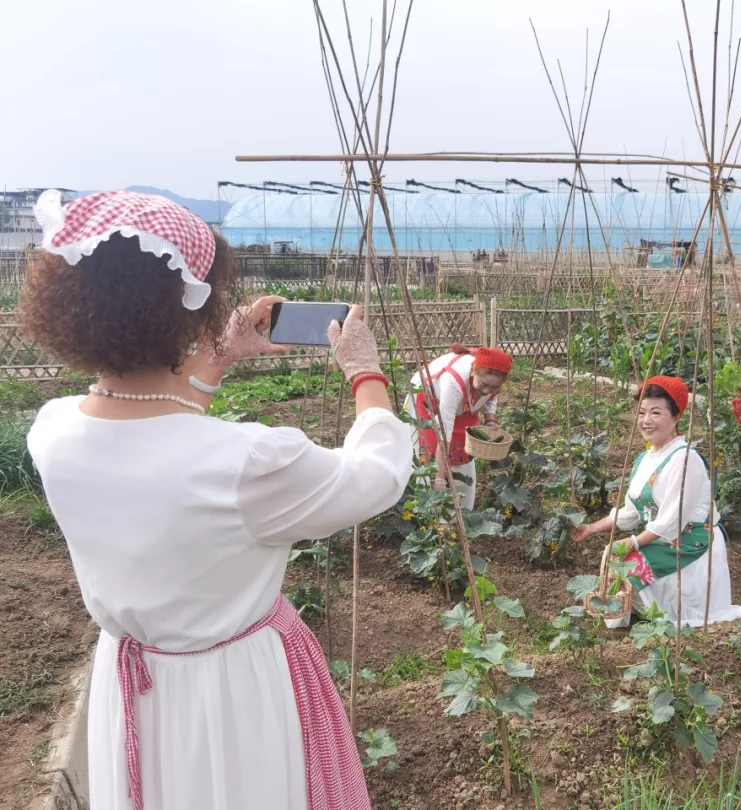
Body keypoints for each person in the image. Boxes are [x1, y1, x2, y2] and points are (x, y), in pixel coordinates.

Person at [23, 189, 411, 810]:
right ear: (189, 312)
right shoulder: (248, 462)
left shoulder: (53, 431)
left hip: (130, 684)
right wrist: (366, 373)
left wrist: (215, 358)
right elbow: (376, 476)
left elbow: (158, 428)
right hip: (232, 692)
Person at [570, 376, 741, 629]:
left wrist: (633, 542)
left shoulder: (685, 459)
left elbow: (672, 521)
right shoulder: (646, 458)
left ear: (676, 417)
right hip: (665, 538)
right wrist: (591, 528)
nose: (646, 420)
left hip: (691, 542)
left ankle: (655, 610)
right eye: (642, 412)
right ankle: (633, 609)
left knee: (628, 563)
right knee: (619, 561)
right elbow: (631, 512)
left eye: (656, 413)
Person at [403, 343, 513, 511]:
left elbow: (491, 398)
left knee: (462, 452)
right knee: (429, 455)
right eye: (484, 384)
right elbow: (444, 433)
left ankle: (462, 509)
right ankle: (429, 511)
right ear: (473, 371)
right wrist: (439, 480)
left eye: (494, 387)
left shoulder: (489, 384)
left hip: (464, 404)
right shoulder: (453, 383)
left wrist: (490, 420)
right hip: (428, 400)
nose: (487, 391)